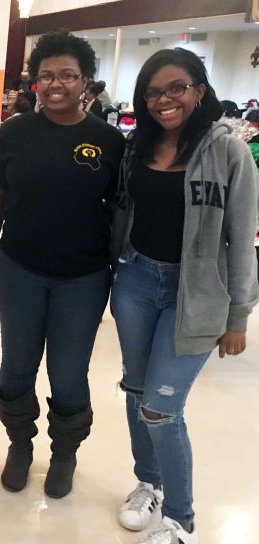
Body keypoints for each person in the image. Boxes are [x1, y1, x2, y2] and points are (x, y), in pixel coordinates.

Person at [110, 48, 258, 544]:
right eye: (153, 92)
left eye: (176, 88)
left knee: (160, 408)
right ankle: (147, 483)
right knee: (135, 392)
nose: (164, 100)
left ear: (199, 89)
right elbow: (122, 217)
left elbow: (242, 237)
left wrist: (239, 315)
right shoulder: (138, 146)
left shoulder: (228, 151)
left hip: (194, 294)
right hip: (135, 280)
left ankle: (180, 517)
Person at [0, 31, 125, 498]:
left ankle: (64, 453)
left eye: (67, 75)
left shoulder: (108, 140)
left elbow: (119, 211)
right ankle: (20, 446)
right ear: (34, 81)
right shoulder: (13, 131)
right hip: (19, 268)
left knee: (69, 373)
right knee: (16, 367)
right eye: (46, 75)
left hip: (83, 278)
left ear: (84, 81)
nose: (56, 83)